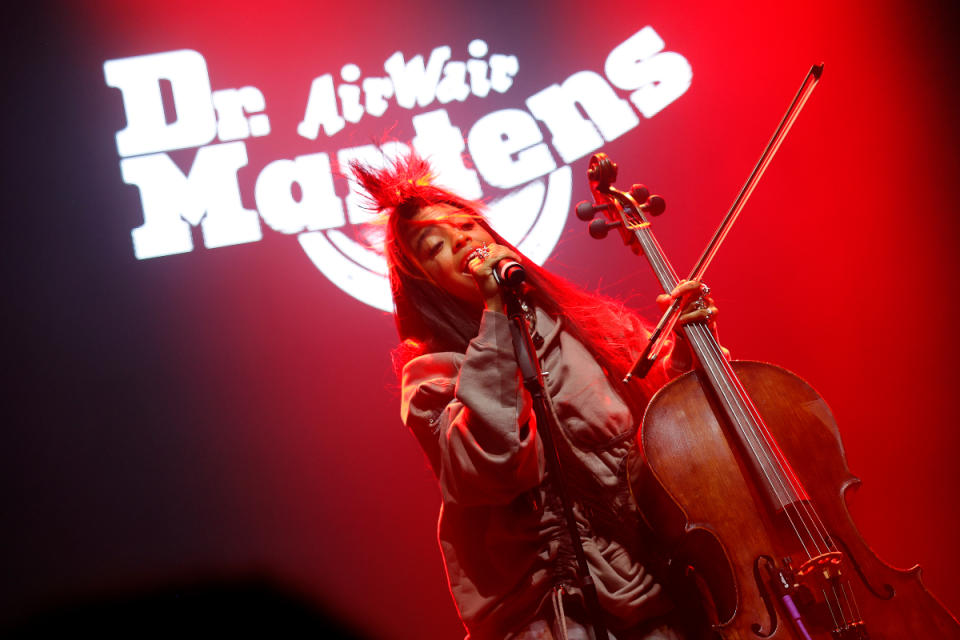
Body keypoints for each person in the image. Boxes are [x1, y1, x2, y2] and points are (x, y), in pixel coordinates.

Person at [351, 153, 722, 640]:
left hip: (662, 590)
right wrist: (496, 315)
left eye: (468, 225)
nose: (463, 239)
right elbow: (498, 465)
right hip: (555, 619)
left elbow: (670, 424)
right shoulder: (432, 379)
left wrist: (693, 349)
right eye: (435, 244)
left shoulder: (591, 325)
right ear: (425, 281)